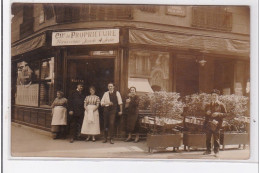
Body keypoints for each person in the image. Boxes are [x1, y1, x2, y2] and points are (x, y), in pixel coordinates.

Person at [203, 89, 227, 157]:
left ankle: (216, 152)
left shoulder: (221, 105)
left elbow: (225, 114)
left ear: (218, 96)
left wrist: (218, 114)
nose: (214, 97)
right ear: (211, 96)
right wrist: (206, 113)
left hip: (217, 124)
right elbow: (204, 113)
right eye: (213, 95)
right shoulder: (208, 105)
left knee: (216, 138)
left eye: (215, 95)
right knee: (208, 138)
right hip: (208, 124)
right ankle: (208, 151)